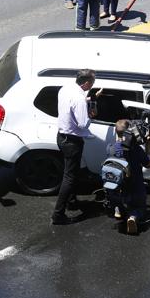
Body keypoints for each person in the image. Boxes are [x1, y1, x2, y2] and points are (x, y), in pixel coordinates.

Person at [52, 69, 98, 225]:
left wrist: (89, 99)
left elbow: (73, 104)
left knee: (71, 173)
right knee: (69, 178)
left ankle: (72, 202)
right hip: (72, 142)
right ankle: (58, 215)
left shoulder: (66, 89)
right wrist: (91, 114)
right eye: (92, 83)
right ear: (85, 83)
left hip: (61, 137)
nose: (92, 86)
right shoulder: (79, 99)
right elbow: (83, 123)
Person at [109, 119, 150, 235]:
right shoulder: (136, 150)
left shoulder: (112, 148)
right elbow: (148, 164)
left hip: (118, 188)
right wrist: (148, 145)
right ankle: (133, 218)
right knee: (139, 207)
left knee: (119, 199)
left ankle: (118, 210)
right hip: (135, 187)